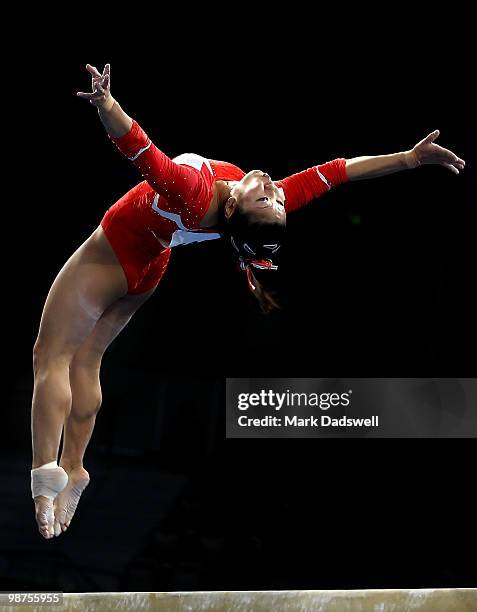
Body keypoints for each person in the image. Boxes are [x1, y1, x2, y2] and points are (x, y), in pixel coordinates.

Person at [31, 64, 465, 539]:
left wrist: (106, 104)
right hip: (148, 270)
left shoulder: (196, 193)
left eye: (267, 199)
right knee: (88, 358)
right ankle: (74, 467)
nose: (275, 190)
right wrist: (406, 158)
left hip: (113, 252)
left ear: (235, 207)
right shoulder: (245, 203)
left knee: (52, 357)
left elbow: (142, 152)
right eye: (277, 198)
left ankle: (43, 478)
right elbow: (336, 173)